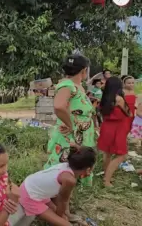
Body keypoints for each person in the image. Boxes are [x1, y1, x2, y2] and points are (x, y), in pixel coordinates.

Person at [45, 54, 96, 186]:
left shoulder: (78, 86)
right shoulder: (67, 85)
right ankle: (58, 189)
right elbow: (59, 106)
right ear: (84, 70)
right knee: (64, 160)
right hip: (70, 133)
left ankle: (73, 186)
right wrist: (70, 125)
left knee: (78, 160)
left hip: (80, 133)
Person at [18, 146, 96, 226]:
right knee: (66, 224)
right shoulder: (69, 180)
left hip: (31, 188)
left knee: (64, 219)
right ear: (88, 169)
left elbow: (63, 197)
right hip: (30, 197)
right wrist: (59, 219)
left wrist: (64, 216)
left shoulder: (66, 166)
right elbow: (62, 201)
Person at [98, 77, 132, 187]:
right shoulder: (119, 99)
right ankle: (107, 180)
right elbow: (129, 113)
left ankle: (106, 176)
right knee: (121, 155)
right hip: (118, 128)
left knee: (107, 153)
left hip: (106, 126)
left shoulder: (104, 99)